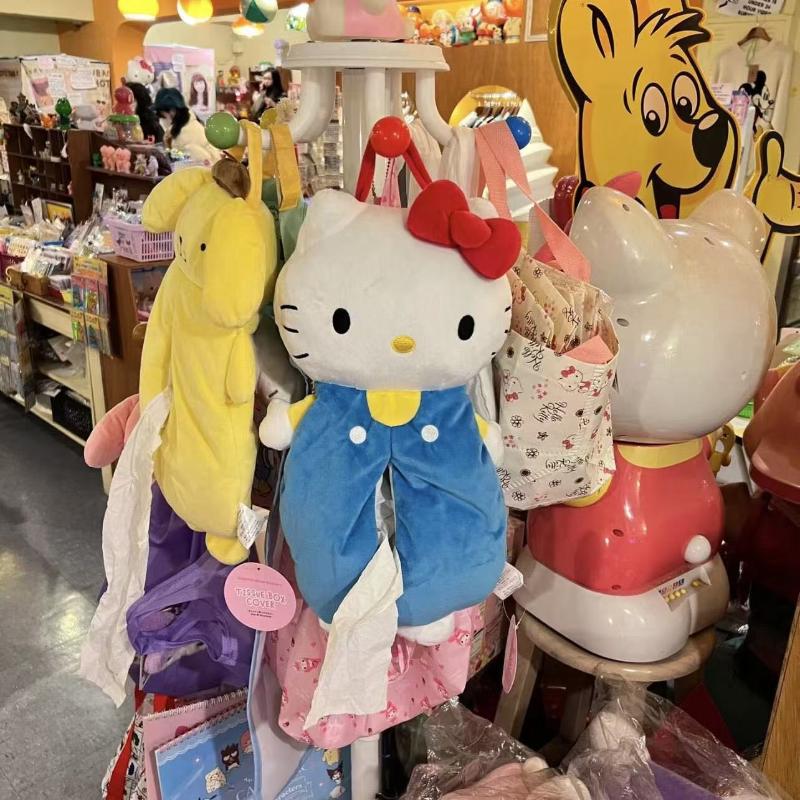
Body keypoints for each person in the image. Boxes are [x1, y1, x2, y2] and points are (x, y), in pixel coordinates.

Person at [153, 87, 220, 165]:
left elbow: (185, 164)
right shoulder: (189, 125)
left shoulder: (184, 135)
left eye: (162, 115)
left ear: (172, 111)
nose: (162, 119)